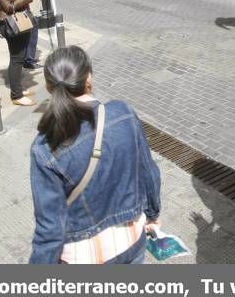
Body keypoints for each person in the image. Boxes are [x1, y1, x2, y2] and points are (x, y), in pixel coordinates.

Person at [29, 46, 161, 264]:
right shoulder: (123, 112)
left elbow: (50, 229)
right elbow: (148, 171)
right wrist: (153, 213)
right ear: (88, 77)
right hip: (132, 241)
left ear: (48, 87)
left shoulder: (45, 146)